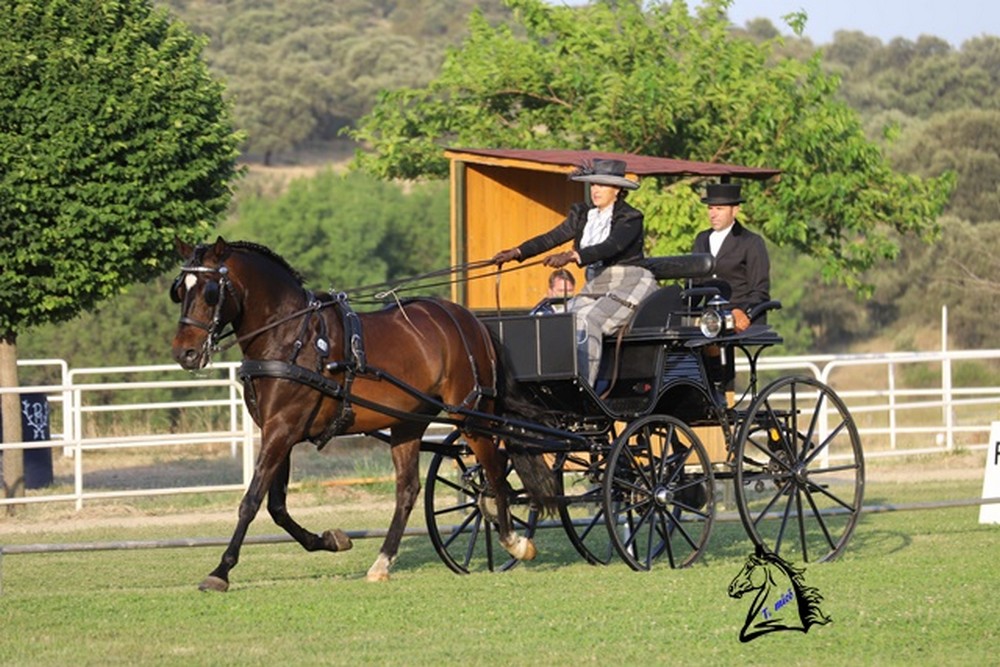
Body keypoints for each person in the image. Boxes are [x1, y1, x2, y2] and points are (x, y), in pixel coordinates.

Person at [493, 159, 658, 385]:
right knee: (560, 320)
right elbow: (551, 237)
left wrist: (573, 256)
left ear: (617, 189)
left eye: (602, 185)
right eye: (593, 185)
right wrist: (518, 252)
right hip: (596, 285)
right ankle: (549, 381)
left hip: (630, 282)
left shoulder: (630, 218)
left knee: (589, 319)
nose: (595, 190)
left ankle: (582, 385)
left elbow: (611, 246)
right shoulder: (583, 215)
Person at [692, 182, 770, 332]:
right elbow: (695, 284)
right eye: (710, 208)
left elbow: (760, 290)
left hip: (740, 317)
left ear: (734, 210)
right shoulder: (701, 239)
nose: (713, 214)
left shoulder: (751, 242)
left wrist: (742, 311)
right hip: (710, 320)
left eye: (719, 209)